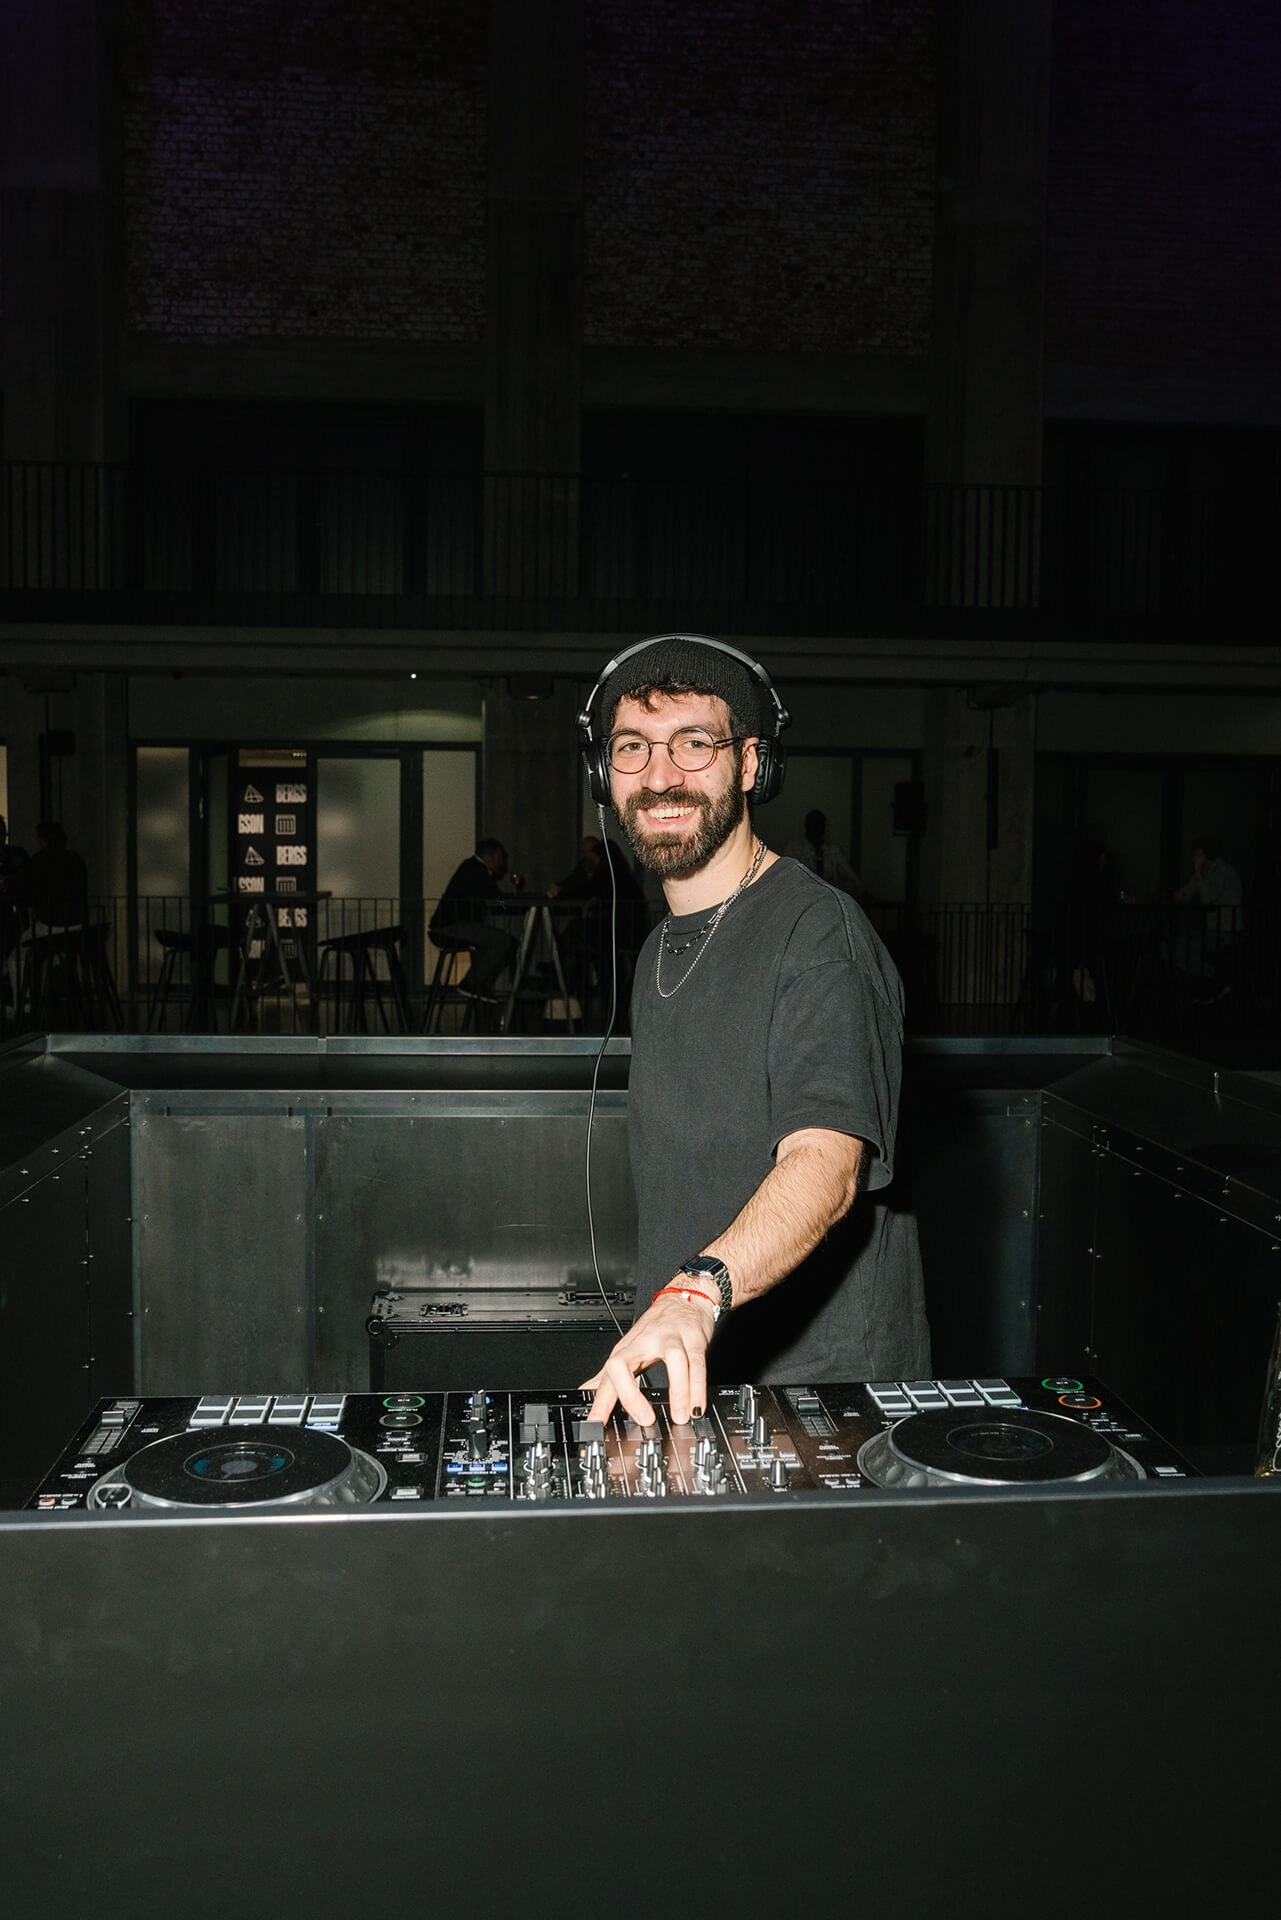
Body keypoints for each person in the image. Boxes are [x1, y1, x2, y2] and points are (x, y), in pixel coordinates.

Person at [577, 632, 928, 1428]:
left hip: (820, 1406)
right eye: (632, 747)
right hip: (691, 1372)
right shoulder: (657, 949)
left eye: (693, 743)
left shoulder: (819, 938)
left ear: (750, 765)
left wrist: (694, 1293)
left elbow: (827, 1161)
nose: (660, 775)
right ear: (605, 776)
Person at [428, 837, 517, 1002]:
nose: (502, 863)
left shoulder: (472, 867)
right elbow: (497, 897)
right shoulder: (478, 871)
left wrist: (505, 901)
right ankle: (471, 984)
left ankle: (477, 985)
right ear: (489, 857)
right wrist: (510, 904)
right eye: (499, 858)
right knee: (503, 941)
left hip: (446, 925)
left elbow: (493, 896)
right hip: (451, 926)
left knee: (498, 942)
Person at [782, 809, 866, 900]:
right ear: (806, 825)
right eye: (813, 824)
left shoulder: (833, 851)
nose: (816, 828)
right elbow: (785, 880)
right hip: (802, 899)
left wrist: (834, 888)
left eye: (819, 824)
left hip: (829, 900)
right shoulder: (793, 850)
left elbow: (853, 880)